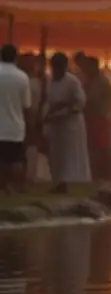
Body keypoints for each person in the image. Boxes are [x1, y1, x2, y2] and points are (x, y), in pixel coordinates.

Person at [42, 52, 91, 194]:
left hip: (70, 124)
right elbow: (47, 101)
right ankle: (58, 182)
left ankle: (65, 184)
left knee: (69, 155)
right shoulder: (49, 80)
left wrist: (64, 109)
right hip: (55, 124)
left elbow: (80, 102)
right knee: (56, 154)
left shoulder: (73, 81)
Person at [0, 44, 32, 193]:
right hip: (15, 126)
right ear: (15, 57)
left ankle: (3, 186)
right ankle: (16, 187)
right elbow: (27, 105)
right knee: (15, 160)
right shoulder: (22, 77)